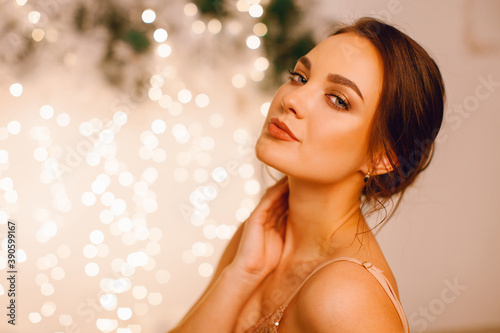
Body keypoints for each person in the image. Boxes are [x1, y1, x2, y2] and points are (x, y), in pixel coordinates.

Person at [169, 16, 445, 333]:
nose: (291, 99)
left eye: (338, 100)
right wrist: (242, 274)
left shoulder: (348, 295)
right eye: (300, 77)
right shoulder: (260, 236)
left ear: (382, 158)